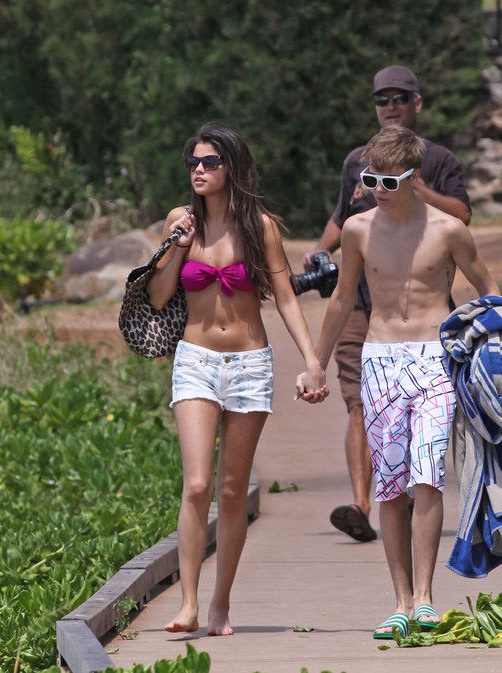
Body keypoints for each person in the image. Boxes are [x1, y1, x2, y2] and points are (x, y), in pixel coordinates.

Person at [300, 126, 499, 639]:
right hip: (381, 359)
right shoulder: (359, 230)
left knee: (427, 472)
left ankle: (427, 597)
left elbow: (489, 289)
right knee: (390, 485)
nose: (376, 190)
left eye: (388, 181)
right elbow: (343, 299)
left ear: (413, 178)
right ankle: (400, 601)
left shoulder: (449, 230)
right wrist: (317, 363)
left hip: (435, 356)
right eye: (369, 180)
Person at [147, 122, 328, 635]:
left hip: (250, 364)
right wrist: (177, 248)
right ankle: (187, 602)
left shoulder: (261, 226)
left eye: (209, 162)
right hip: (196, 359)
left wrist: (311, 360)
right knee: (198, 483)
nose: (198, 171)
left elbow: (287, 297)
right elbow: (160, 296)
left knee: (231, 491)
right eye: (192, 164)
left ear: (232, 167)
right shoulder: (180, 221)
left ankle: (220, 604)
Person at [304, 65, 471, 544]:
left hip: (424, 317)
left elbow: (461, 215)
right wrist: (319, 252)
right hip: (362, 304)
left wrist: (412, 186)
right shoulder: (357, 161)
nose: (391, 106)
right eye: (382, 99)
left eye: (400, 97)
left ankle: (417, 496)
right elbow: (343, 217)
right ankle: (362, 504)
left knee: (424, 427)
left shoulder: (439, 161)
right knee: (357, 400)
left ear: (417, 103)